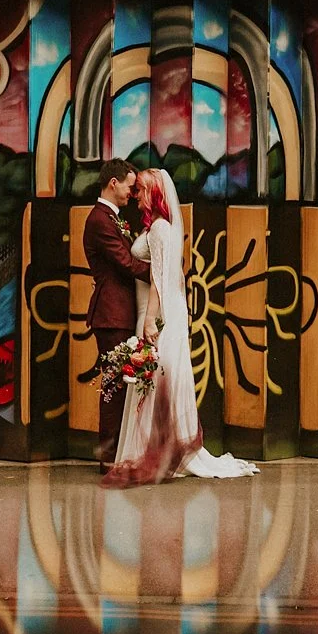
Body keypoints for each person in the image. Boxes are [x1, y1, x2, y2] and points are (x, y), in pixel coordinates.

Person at [104, 170, 260, 487]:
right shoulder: (162, 227)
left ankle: (156, 451)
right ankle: (161, 447)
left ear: (154, 193)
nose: (137, 195)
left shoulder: (160, 229)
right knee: (160, 376)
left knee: (158, 375)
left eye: (142, 190)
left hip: (158, 308)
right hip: (166, 306)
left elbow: (159, 279)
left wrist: (151, 318)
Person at [82, 159, 151, 469]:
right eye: (129, 187)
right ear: (113, 183)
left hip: (119, 313)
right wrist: (160, 273)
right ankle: (109, 458)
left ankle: (117, 453)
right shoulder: (100, 220)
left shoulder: (111, 217)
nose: (131, 193)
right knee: (114, 385)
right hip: (111, 314)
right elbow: (125, 262)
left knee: (120, 384)